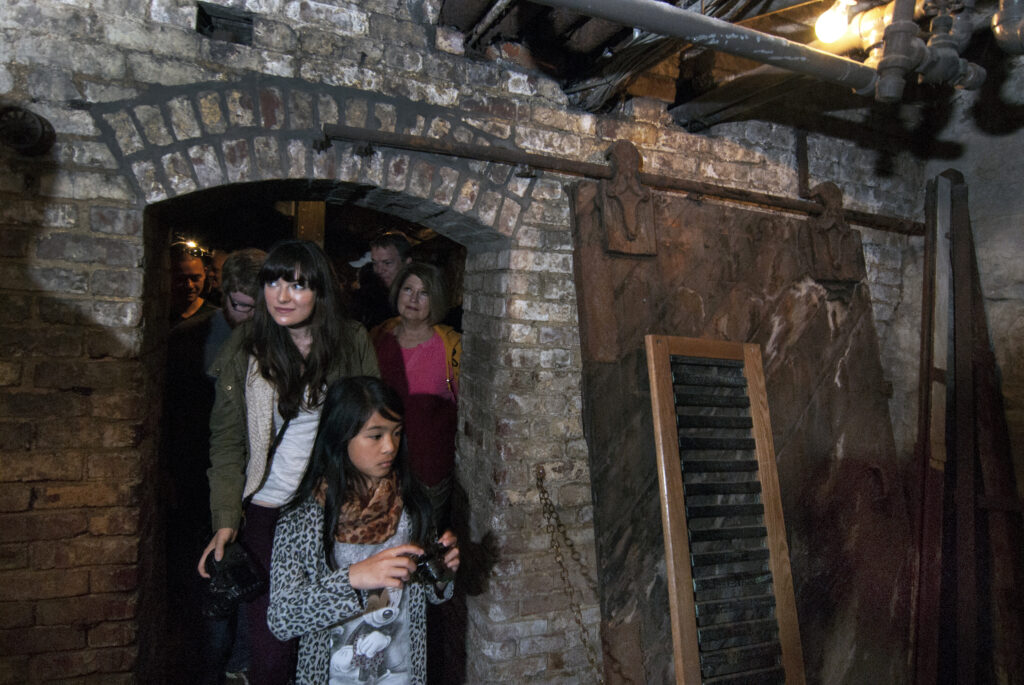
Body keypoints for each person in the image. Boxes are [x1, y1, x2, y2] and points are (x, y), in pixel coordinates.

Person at [198, 239, 380, 685]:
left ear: (320, 291)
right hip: (266, 512)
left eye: (297, 285)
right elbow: (227, 442)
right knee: (269, 646)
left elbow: (374, 429)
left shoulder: (350, 341)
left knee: (332, 641)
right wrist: (225, 519)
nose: (281, 296)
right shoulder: (246, 347)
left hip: (331, 510)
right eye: (273, 282)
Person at [266, 376, 459, 685]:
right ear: (341, 435)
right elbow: (282, 619)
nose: (390, 446)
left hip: (401, 674)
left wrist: (443, 572)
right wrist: (352, 578)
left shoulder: (411, 504)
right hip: (332, 675)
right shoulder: (304, 518)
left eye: (396, 433)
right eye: (375, 435)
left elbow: (428, 596)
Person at [370, 263, 460, 531]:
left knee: (422, 541)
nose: (413, 298)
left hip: (428, 470)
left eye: (424, 293)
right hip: (379, 468)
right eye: (408, 289)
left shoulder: (452, 348)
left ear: (436, 300)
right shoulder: (376, 337)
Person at [170, 240, 219, 326]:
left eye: (195, 278)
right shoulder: (157, 315)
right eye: (181, 279)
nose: (189, 285)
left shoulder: (216, 319)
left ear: (205, 273)